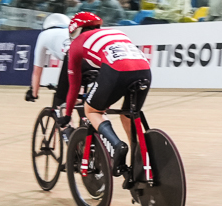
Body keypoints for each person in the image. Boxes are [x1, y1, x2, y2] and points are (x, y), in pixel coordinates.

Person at [57, 10, 152, 183]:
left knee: (91, 110)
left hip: (117, 71)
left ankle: (117, 145)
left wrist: (67, 115)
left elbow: (74, 87)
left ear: (75, 30)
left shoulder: (76, 44)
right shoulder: (115, 32)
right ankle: (138, 159)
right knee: (128, 114)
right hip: (144, 69)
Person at [26, 13, 72, 104]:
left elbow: (37, 70)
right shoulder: (72, 31)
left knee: (60, 102)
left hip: (71, 60)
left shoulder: (44, 35)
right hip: (89, 60)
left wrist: (34, 93)